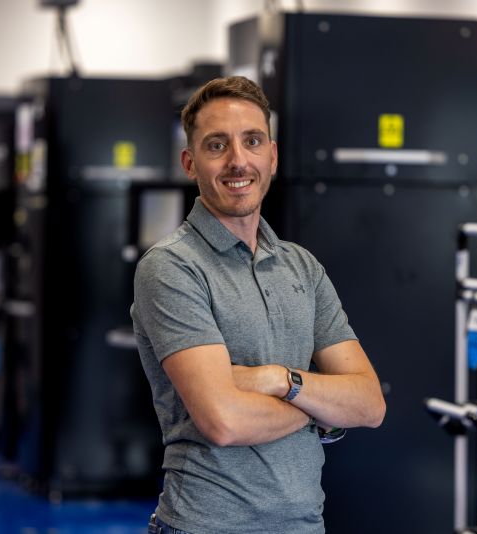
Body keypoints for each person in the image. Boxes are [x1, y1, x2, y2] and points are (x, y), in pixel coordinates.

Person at [131, 76, 386, 534]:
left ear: (272, 154)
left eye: (252, 141)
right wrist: (321, 411)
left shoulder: (302, 267)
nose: (238, 161)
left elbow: (369, 404)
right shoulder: (171, 267)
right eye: (216, 145)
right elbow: (224, 421)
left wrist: (276, 380)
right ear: (190, 163)